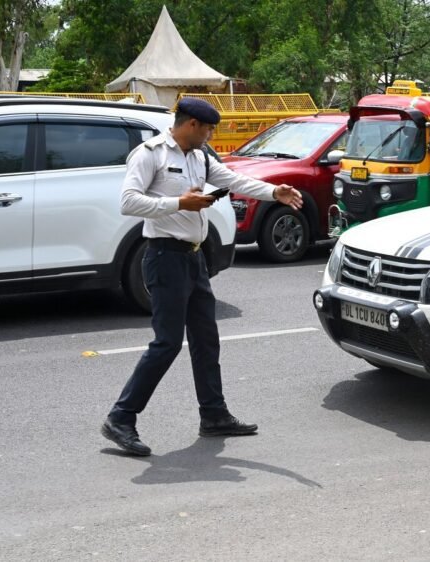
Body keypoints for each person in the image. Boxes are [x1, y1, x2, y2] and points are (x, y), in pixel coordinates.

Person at [101, 97, 303, 456]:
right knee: (166, 343)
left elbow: (233, 179)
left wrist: (275, 192)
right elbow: (128, 202)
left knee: (206, 340)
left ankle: (213, 414)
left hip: (194, 261)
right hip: (164, 257)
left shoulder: (198, 156)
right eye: (208, 128)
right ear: (191, 124)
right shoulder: (151, 154)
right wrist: (179, 203)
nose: (211, 134)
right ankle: (121, 417)